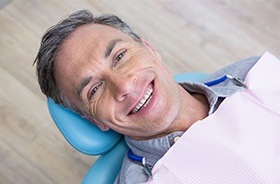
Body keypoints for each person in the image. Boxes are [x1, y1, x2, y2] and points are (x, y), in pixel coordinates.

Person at [34, 10, 259, 183]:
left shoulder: (255, 73)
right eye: (94, 89)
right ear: (95, 120)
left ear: (149, 48)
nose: (124, 86)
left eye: (120, 56)